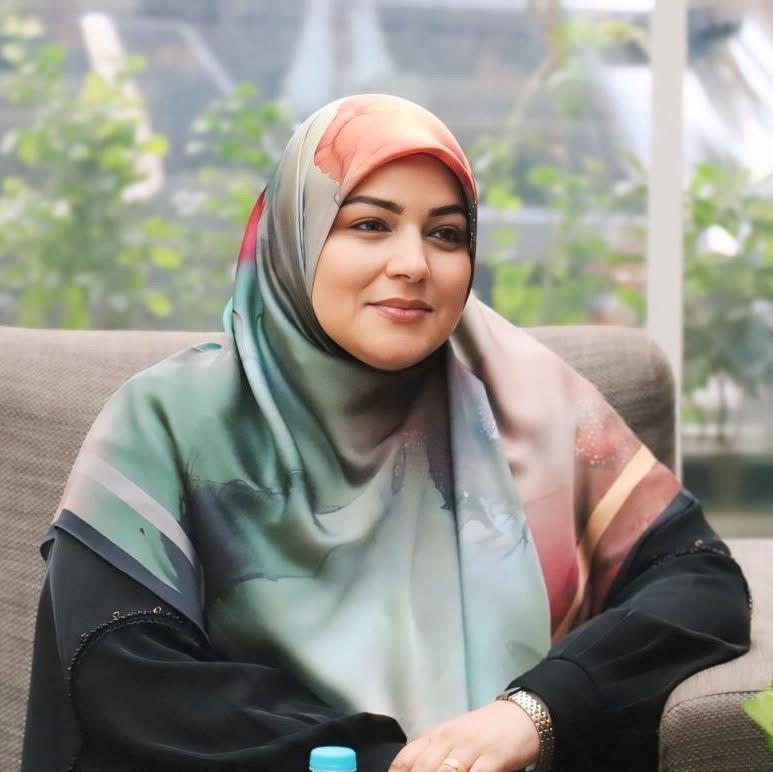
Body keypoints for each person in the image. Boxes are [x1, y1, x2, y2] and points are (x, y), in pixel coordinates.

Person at [21, 94, 750, 772]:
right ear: (296, 236)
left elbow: (697, 581)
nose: (413, 265)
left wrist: (531, 710)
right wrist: (379, 761)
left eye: (446, 234)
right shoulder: (166, 419)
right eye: (370, 224)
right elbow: (125, 673)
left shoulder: (526, 400)